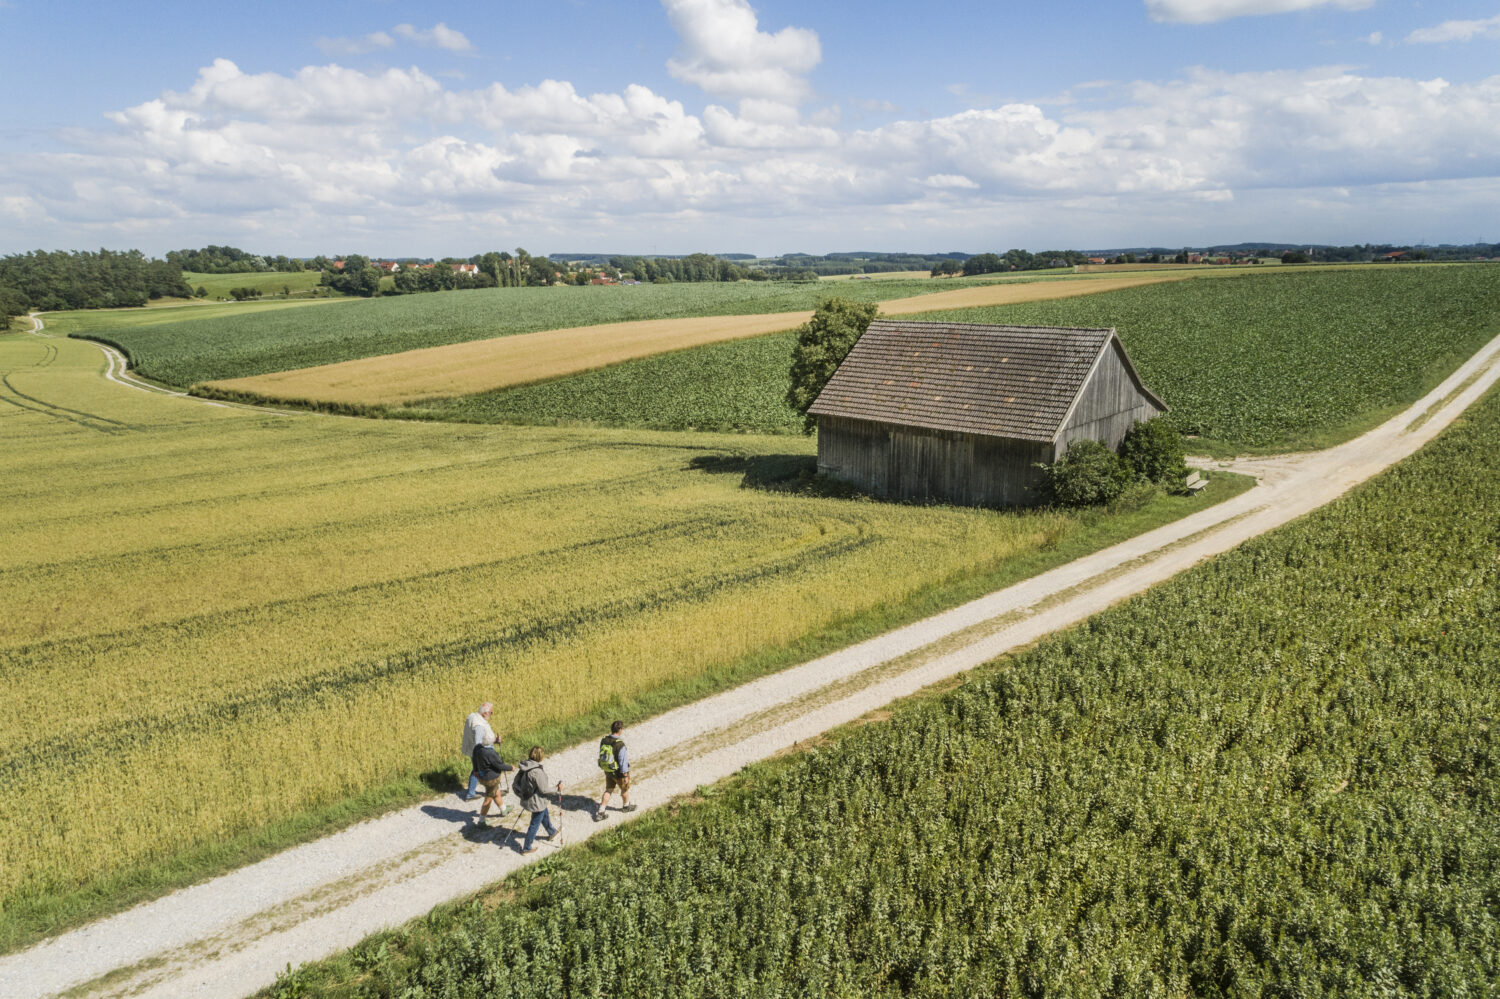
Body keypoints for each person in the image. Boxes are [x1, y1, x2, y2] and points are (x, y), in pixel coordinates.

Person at [514, 745, 563, 854]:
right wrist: (557, 789)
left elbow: (516, 783)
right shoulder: (537, 771)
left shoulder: (524, 766)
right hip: (536, 801)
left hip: (528, 798)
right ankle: (526, 847)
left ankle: (552, 831)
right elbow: (544, 790)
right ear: (540, 757)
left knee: (544, 812)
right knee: (535, 823)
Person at [594, 720, 637, 822]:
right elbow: (623, 762)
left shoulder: (604, 740)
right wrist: (625, 775)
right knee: (625, 789)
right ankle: (626, 806)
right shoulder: (620, 745)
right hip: (618, 773)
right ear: (620, 730)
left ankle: (601, 811)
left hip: (608, 771)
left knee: (608, 790)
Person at [471, 741, 515, 828]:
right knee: (488, 799)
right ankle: (481, 821)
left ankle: (503, 809)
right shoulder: (490, 753)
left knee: (496, 791)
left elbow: (474, 759)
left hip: (482, 776)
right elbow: (499, 765)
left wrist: (475, 769)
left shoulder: (477, 747)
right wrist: (511, 768)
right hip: (491, 779)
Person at [460, 703, 497, 800]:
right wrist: (494, 741)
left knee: (476, 770)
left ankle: (471, 794)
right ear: (485, 713)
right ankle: (493, 791)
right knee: (490, 770)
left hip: (473, 750)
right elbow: (478, 742)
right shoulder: (479, 725)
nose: (491, 714)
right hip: (482, 751)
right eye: (491, 712)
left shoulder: (472, 717)